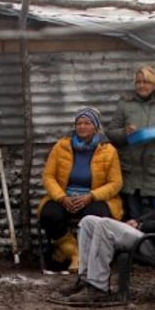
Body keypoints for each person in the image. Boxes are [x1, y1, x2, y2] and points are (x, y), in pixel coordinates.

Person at [55, 151, 155, 305]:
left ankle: (98, 288)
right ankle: (85, 279)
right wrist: (137, 221)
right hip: (150, 236)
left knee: (104, 225)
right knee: (88, 221)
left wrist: (142, 226)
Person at [37, 107, 123, 273]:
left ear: (95, 127)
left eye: (87, 123)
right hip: (65, 196)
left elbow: (115, 182)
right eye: (79, 123)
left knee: (96, 218)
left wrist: (91, 196)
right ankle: (75, 253)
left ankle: (84, 256)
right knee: (49, 215)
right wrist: (62, 198)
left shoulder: (108, 151)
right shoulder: (61, 146)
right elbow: (48, 176)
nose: (82, 126)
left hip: (93, 198)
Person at [105, 65, 155, 220]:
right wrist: (124, 132)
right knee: (133, 219)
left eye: (146, 82)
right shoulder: (125, 104)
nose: (141, 86)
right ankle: (136, 245)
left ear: (154, 84)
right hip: (131, 172)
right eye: (138, 82)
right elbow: (111, 133)